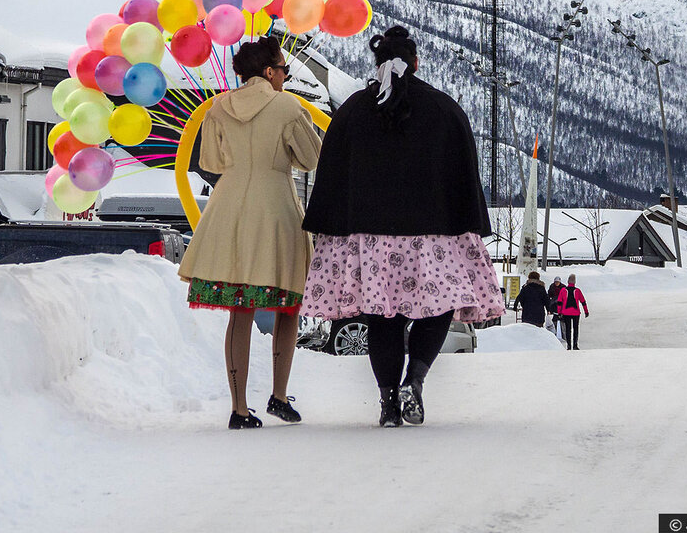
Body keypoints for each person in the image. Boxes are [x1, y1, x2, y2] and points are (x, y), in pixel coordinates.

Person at [301, 25, 503, 427]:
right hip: (433, 238)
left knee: (382, 320)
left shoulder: (353, 112)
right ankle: (416, 377)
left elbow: (331, 177)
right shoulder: (445, 110)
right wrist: (472, 223)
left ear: (377, 65)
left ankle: (387, 401)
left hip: (371, 240)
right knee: (440, 308)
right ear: (415, 62)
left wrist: (329, 226)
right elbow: (463, 174)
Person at [178, 36, 321, 430]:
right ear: (270, 72)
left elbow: (210, 161)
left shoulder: (218, 107)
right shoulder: (288, 106)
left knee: (239, 309)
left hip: (228, 207)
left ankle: (238, 407)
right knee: (287, 304)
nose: (285, 78)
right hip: (275, 206)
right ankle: (278, 395)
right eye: (284, 71)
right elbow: (310, 158)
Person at [555, 274, 590, 350]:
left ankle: (568, 346)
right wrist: (586, 311)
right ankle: (575, 345)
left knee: (568, 329)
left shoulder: (563, 290)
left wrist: (559, 312)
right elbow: (583, 301)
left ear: (568, 281)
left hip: (566, 312)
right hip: (576, 313)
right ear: (574, 282)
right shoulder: (577, 291)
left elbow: (559, 302)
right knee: (575, 328)